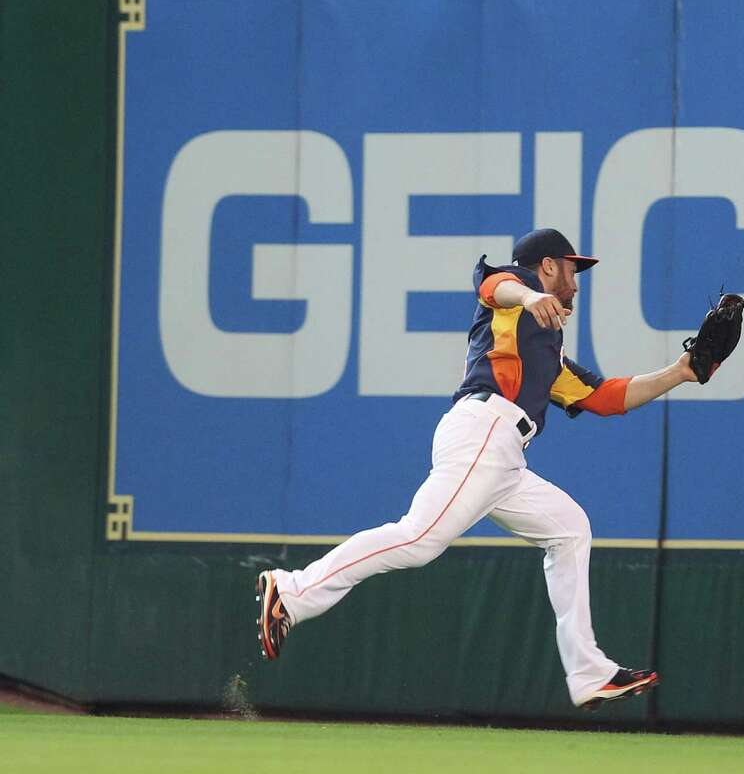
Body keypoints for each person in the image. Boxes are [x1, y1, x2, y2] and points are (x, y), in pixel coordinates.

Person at [255, 228, 699, 709]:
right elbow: (494, 285)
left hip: (503, 452)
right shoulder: (515, 289)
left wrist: (680, 371)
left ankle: (589, 673)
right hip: (484, 428)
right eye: (573, 268)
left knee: (570, 529)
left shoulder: (546, 351)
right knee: (418, 540)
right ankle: (292, 589)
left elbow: (606, 398)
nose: (576, 279)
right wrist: (530, 295)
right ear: (548, 266)